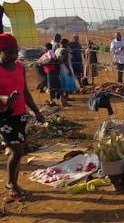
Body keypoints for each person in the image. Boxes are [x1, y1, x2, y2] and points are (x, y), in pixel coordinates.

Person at [0, 33, 45, 201]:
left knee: (19, 150)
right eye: (9, 53)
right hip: (5, 116)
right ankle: (11, 183)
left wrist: (36, 111)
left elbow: (25, 91)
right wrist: (4, 99)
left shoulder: (19, 67)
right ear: (1, 51)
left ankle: (13, 182)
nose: (13, 56)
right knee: (17, 151)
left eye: (15, 52)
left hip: (20, 114)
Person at [55, 39, 78, 106]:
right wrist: (69, 70)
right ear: (65, 44)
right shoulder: (64, 50)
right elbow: (65, 62)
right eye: (67, 44)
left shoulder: (57, 50)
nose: (68, 45)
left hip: (60, 68)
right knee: (66, 83)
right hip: (65, 68)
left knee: (63, 83)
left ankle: (66, 98)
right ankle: (63, 100)